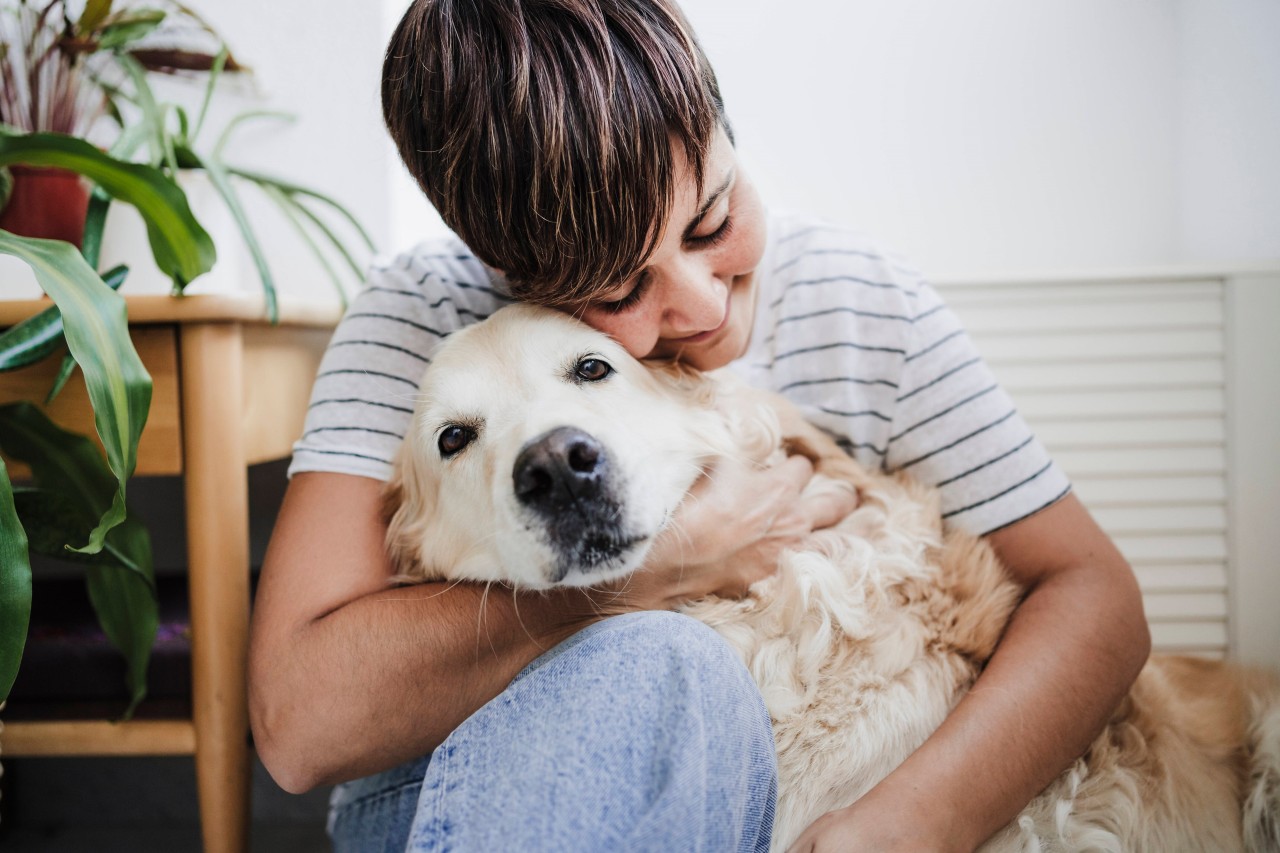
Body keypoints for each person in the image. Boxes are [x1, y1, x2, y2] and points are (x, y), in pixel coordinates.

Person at [247, 0, 1151, 850]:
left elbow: (1094, 594)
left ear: (727, 130)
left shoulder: (863, 303)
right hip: (451, 785)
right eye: (616, 292)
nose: (703, 302)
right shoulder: (421, 310)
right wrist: (668, 563)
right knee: (659, 664)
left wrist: (907, 822)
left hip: (764, 768)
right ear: (507, 274)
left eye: (713, 219)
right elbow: (296, 725)